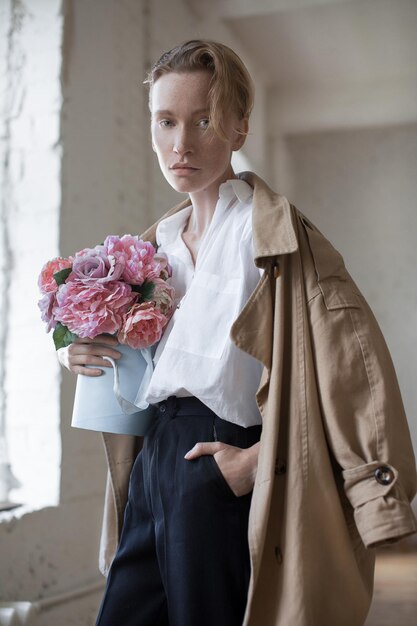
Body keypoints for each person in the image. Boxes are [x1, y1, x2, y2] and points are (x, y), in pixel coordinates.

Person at [58, 40, 417, 626]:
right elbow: (148, 369)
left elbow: (351, 365)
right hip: (154, 455)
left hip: (223, 456)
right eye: (166, 121)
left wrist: (256, 464)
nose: (182, 144)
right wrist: (86, 351)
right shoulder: (153, 248)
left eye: (204, 120)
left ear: (240, 127)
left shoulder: (271, 234)